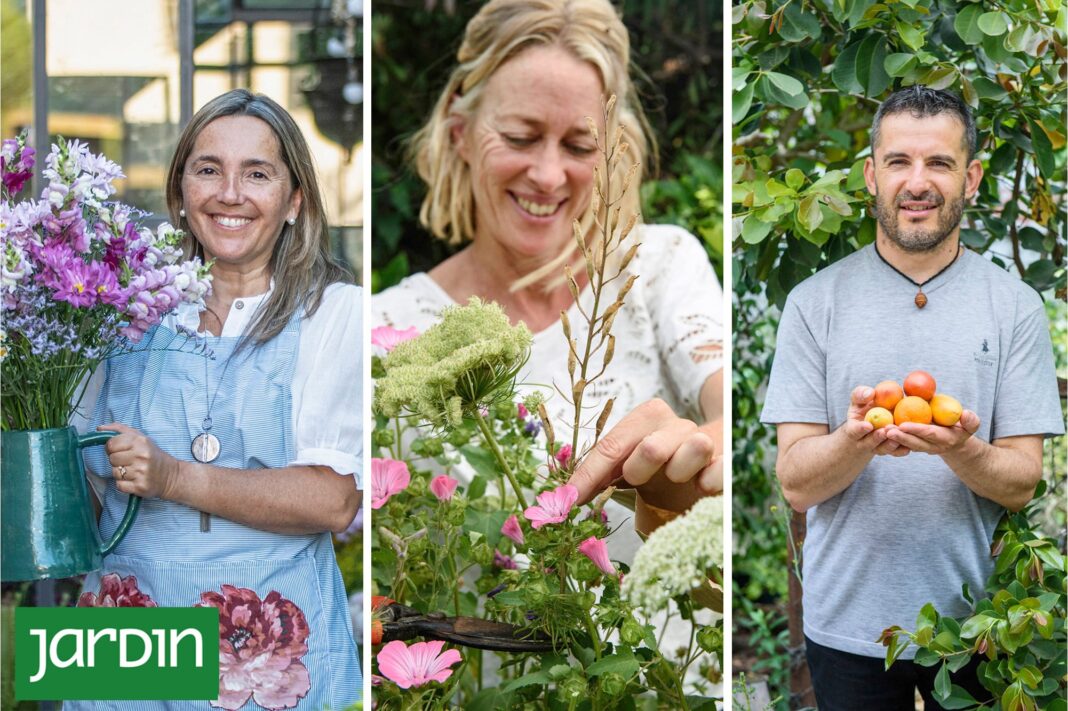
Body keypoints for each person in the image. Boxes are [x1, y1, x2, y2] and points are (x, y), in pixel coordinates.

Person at [372, 0, 724, 543]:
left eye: (580, 145)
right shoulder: (383, 332)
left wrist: (716, 440)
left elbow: (727, 405)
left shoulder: (658, 266)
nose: (547, 174)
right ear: (460, 131)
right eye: (519, 137)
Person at [761, 86, 1064, 709]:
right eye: (899, 161)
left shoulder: (1014, 307)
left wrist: (959, 449)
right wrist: (854, 441)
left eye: (940, 163)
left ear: (971, 178)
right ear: (872, 174)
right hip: (847, 626)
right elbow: (795, 484)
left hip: (980, 629)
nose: (917, 182)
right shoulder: (814, 303)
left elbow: (1020, 483)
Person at [72, 89, 363, 710]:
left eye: (257, 173)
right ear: (179, 194)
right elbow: (78, 478)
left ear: (294, 201)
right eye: (208, 170)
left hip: (263, 642)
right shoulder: (118, 309)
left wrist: (174, 476)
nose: (230, 193)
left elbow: (332, 499)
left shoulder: (334, 312)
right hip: (129, 628)